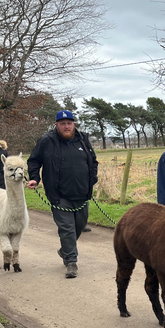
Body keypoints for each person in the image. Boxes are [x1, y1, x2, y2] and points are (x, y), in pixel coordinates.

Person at [27, 110, 99, 279]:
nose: (66, 126)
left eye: (69, 123)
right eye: (62, 123)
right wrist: (34, 178)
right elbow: (34, 161)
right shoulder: (47, 141)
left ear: (74, 124)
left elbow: (93, 161)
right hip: (59, 195)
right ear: (56, 125)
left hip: (81, 194)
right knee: (67, 229)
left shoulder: (83, 139)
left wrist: (92, 179)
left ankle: (65, 250)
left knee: (79, 227)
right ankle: (71, 262)